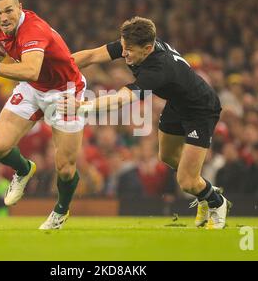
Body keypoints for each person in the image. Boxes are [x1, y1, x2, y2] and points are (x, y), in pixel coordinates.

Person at [59, 16, 231, 229]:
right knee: (167, 156)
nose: (123, 53)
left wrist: (82, 105)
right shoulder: (132, 45)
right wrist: (56, 68)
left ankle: (216, 201)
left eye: (128, 50)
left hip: (201, 110)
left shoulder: (157, 69)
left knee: (186, 181)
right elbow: (93, 55)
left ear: (148, 48)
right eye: (123, 46)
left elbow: (122, 99)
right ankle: (202, 189)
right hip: (177, 104)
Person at [0, 0, 87, 229]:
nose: (3, 17)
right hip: (32, 89)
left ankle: (61, 210)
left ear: (20, 7)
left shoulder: (33, 30)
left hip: (65, 92)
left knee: (66, 169)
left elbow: (30, 70)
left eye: (9, 11)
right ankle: (24, 169)